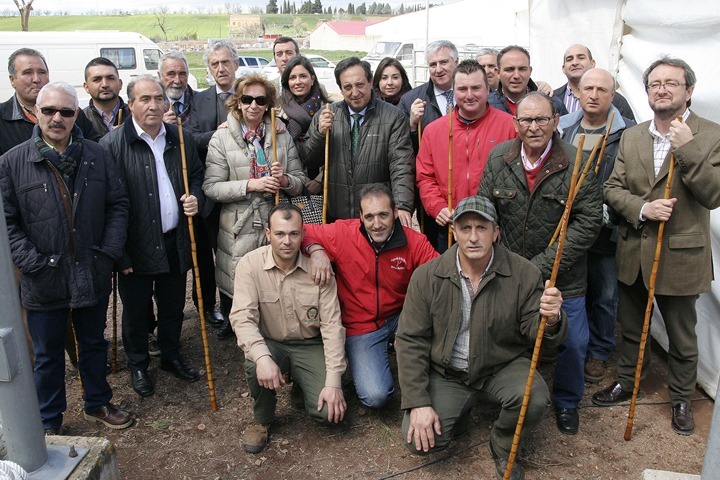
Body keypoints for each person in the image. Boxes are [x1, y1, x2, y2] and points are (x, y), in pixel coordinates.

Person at [396, 195, 567, 480]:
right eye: (465, 228)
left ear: (496, 232)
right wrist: (418, 403)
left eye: (481, 228)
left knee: (534, 398)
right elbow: (410, 341)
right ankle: (458, 412)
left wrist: (551, 320)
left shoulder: (524, 274)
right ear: (454, 232)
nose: (473, 237)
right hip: (447, 372)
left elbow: (536, 334)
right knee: (418, 441)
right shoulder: (427, 277)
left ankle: (502, 443)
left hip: (501, 366)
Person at [593, 57, 720, 436]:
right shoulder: (633, 136)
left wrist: (689, 149)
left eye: (671, 83)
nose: (661, 89)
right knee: (632, 329)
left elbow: (713, 195)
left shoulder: (710, 135)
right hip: (634, 251)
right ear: (647, 92)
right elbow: (613, 189)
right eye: (655, 84)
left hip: (681, 255)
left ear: (689, 91)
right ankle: (628, 381)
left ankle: (681, 397)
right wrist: (643, 208)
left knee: (682, 336)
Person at [0, 81, 132, 434]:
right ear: (36, 113)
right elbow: (7, 223)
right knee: (47, 354)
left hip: (91, 267)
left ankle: (97, 402)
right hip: (43, 275)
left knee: (93, 342)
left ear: (76, 115)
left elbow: (117, 204)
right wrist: (32, 262)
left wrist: (108, 252)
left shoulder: (97, 154)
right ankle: (49, 418)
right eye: (49, 111)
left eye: (66, 112)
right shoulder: (12, 163)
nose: (57, 118)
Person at [479, 92, 602, 436]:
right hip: (509, 269)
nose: (534, 127)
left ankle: (566, 402)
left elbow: (589, 221)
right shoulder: (499, 158)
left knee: (573, 342)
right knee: (501, 330)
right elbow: (486, 209)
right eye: (526, 120)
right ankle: (503, 393)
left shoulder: (579, 163)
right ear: (515, 123)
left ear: (556, 121)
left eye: (542, 119)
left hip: (564, 276)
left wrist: (543, 266)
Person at [100, 75, 205, 397]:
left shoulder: (180, 138)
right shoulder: (112, 145)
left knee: (173, 306)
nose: (154, 105)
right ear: (130, 104)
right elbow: (105, 205)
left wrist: (196, 197)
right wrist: (120, 254)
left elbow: (199, 176)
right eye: (145, 99)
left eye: (159, 98)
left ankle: (171, 355)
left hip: (176, 240)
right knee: (135, 311)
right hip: (136, 246)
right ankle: (138, 364)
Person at [302, 184, 438, 409]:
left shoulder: (415, 242)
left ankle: (416, 360)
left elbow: (440, 276)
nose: (377, 224)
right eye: (370, 216)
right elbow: (302, 231)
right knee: (376, 396)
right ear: (361, 217)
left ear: (395, 212)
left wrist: (421, 316)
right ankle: (373, 356)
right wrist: (315, 250)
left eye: (384, 215)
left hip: (400, 315)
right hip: (360, 325)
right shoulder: (344, 234)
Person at [231, 203, 347, 454]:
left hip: (310, 344)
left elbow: (332, 326)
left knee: (330, 415)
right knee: (254, 361)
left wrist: (334, 382)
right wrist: (262, 357)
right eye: (280, 233)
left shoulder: (319, 270)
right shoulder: (249, 266)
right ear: (268, 233)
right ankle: (262, 421)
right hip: (271, 343)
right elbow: (242, 318)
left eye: (294, 234)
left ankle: (302, 384)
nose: (287, 241)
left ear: (303, 234)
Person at [202, 73, 306, 339]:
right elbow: (211, 187)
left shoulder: (280, 135)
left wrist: (284, 179)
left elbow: (300, 182)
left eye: (260, 100)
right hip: (240, 222)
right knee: (237, 279)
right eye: (247, 99)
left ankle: (275, 332)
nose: (253, 106)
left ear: (268, 104)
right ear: (238, 101)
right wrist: (251, 185)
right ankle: (239, 327)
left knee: (275, 278)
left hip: (274, 219)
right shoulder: (221, 138)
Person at [558, 68, 636, 383]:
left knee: (604, 293)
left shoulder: (627, 133)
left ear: (612, 94)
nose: (593, 95)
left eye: (601, 89)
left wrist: (608, 211)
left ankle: (600, 351)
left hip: (606, 229)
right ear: (577, 92)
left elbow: (632, 181)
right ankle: (564, 341)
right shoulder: (563, 127)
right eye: (587, 88)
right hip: (568, 225)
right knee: (569, 289)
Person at [299, 57, 415, 225]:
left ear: (370, 81)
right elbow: (309, 159)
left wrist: (402, 205)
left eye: (360, 85)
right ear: (340, 88)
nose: (354, 92)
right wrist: (319, 134)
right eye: (347, 87)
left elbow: (401, 166)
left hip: (376, 217)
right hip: (337, 216)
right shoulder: (326, 115)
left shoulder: (393, 117)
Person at [416, 59, 516, 252]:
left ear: (488, 89)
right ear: (453, 92)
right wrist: (437, 206)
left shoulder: (510, 126)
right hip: (453, 226)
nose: (469, 95)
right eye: (462, 89)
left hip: (498, 226)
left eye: (476, 88)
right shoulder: (433, 131)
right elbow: (425, 177)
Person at [0, 48, 100, 155]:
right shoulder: (3, 118)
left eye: (42, 72)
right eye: (27, 73)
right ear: (12, 80)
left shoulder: (71, 112)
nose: (36, 79)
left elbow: (95, 150)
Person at [278, 55, 329, 195]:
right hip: (289, 182)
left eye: (303, 76)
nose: (298, 82)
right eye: (292, 77)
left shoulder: (328, 109)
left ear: (312, 79)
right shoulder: (276, 110)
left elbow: (337, 150)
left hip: (323, 183)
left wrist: (320, 180)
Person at [552, 44, 635, 121]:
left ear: (592, 64)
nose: (575, 63)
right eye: (569, 59)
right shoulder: (552, 99)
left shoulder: (616, 100)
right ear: (563, 68)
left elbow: (629, 133)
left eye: (581, 58)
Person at [490, 45, 567, 117]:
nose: (516, 76)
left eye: (522, 69)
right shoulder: (485, 106)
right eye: (509, 69)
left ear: (530, 71)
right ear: (498, 73)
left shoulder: (553, 103)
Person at [82, 57, 130, 135]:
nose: (105, 84)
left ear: (120, 84)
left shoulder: (135, 115)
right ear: (86, 87)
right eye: (97, 79)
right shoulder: (80, 119)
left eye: (110, 78)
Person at [159, 50, 196, 126]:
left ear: (188, 75)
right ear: (160, 76)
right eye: (171, 74)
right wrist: (159, 125)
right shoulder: (153, 107)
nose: (177, 81)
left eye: (182, 74)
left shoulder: (200, 102)